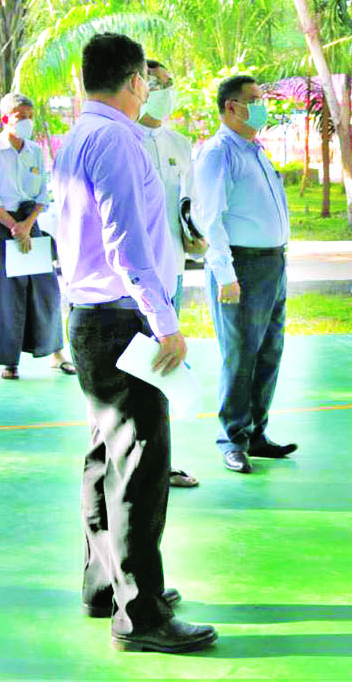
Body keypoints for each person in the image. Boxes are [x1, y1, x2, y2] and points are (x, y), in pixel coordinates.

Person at [52, 32, 216, 655]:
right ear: (135, 81)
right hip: (122, 319)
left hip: (90, 315)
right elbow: (126, 243)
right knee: (141, 468)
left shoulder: (77, 136)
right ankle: (141, 614)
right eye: (149, 78)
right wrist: (165, 321)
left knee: (104, 457)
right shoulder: (119, 140)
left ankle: (107, 586)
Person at [193, 75, 295, 475]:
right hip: (242, 265)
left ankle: (256, 433)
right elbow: (210, 218)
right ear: (231, 107)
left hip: (273, 263)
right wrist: (226, 274)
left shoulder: (255, 150)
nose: (261, 107)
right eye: (253, 100)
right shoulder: (219, 153)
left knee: (269, 351)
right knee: (240, 355)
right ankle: (232, 439)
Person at [138, 60, 207, 488]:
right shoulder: (121, 141)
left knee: (163, 366)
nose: (165, 91)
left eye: (169, 83)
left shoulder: (179, 144)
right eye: (155, 83)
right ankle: (132, 463)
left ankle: (161, 461)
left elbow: (189, 207)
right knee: (130, 372)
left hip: (171, 273)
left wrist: (196, 237)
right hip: (129, 280)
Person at [0, 92, 69, 380]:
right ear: (5, 118)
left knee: (45, 288)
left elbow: (42, 194)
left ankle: (56, 353)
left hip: (30, 223)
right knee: (6, 293)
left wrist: (26, 226)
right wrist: (13, 226)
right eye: (20, 117)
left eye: (30, 116)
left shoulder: (34, 151)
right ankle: (9, 361)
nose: (27, 122)